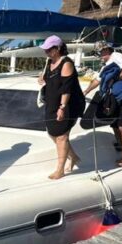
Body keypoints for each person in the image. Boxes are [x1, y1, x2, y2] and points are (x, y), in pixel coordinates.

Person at [83, 42, 122, 167]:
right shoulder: (105, 67)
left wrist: (112, 78)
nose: (99, 55)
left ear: (106, 50)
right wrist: (86, 91)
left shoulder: (117, 56)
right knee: (114, 126)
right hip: (116, 98)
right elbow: (97, 80)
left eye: (100, 52)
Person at [38, 35, 86, 179]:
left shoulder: (66, 63)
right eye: (45, 49)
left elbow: (67, 88)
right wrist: (42, 78)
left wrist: (62, 107)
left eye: (49, 49)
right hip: (52, 102)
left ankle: (60, 170)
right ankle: (74, 157)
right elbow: (48, 78)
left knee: (62, 136)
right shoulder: (49, 61)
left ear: (57, 48)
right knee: (52, 133)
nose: (46, 52)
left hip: (68, 103)